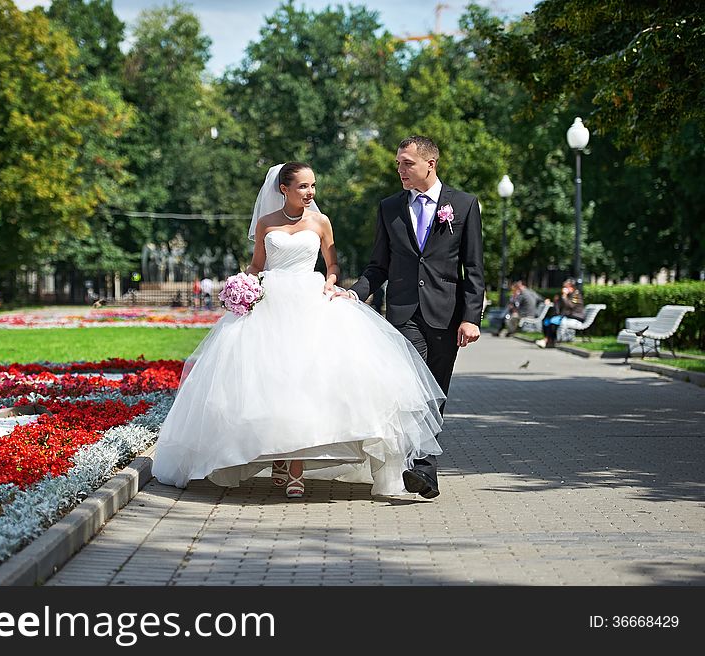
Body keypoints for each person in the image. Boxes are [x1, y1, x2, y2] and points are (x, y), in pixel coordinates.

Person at [152, 162, 445, 498]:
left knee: (306, 382)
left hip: (310, 299)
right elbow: (257, 264)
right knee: (272, 382)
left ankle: (296, 468)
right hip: (271, 303)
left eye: (313, 186)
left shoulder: (320, 222)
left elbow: (332, 263)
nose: (310, 193)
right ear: (284, 189)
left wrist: (333, 280)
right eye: (303, 186)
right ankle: (279, 456)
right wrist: (243, 284)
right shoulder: (266, 223)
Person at [336, 135, 485, 500]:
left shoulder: (464, 206)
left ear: (429, 163)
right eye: (398, 164)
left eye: (407, 163)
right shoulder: (389, 207)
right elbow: (378, 265)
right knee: (412, 391)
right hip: (404, 315)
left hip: (447, 316)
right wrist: (354, 293)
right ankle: (422, 468)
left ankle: (423, 469)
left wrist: (470, 317)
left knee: (437, 394)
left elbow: (474, 269)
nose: (400, 169)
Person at [536, 278, 584, 348]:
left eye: (566, 287)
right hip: (567, 316)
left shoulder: (576, 295)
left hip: (575, 317)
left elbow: (571, 306)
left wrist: (564, 297)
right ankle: (548, 340)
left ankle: (548, 340)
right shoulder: (567, 295)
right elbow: (558, 308)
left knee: (553, 321)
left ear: (571, 287)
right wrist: (557, 300)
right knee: (546, 321)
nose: (564, 289)